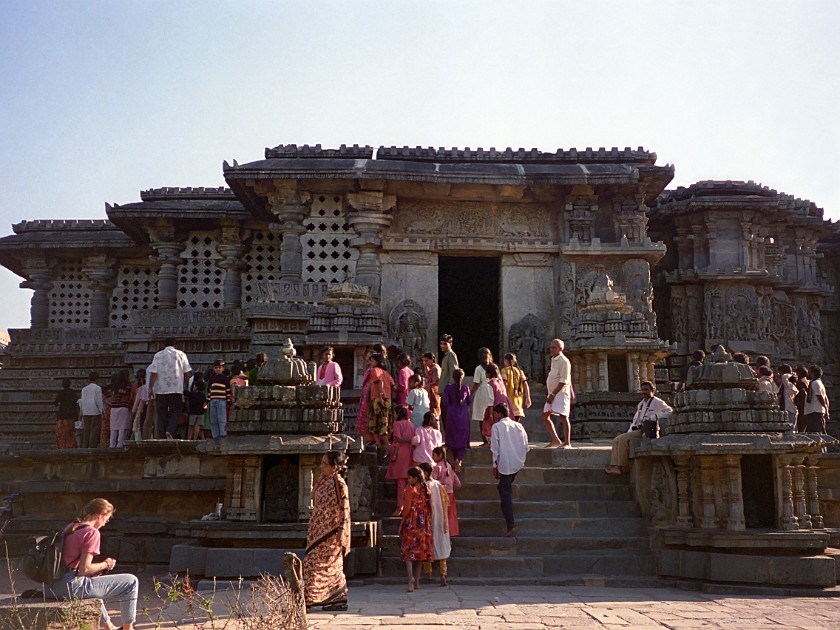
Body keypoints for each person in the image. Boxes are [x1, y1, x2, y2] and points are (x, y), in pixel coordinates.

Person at [47, 498, 138, 630]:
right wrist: (106, 564)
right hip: (69, 587)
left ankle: (109, 627)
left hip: (51, 587)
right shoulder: (91, 532)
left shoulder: (71, 526)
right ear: (100, 514)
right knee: (131, 582)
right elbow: (85, 569)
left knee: (93, 584)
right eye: (106, 519)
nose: (105, 523)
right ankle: (128, 628)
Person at [302, 451, 351, 611]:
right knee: (323, 565)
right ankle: (337, 599)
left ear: (335, 467)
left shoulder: (339, 483)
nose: (321, 467)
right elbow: (313, 497)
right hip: (317, 531)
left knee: (314, 565)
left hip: (330, 533)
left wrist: (342, 531)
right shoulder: (324, 481)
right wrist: (318, 482)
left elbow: (344, 508)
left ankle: (309, 599)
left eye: (325, 464)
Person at [604, 381, 672, 475]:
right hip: (637, 429)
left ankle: (621, 466)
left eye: (646, 390)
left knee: (622, 439)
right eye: (643, 390)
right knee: (616, 440)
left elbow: (670, 411)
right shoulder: (641, 404)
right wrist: (629, 431)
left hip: (646, 430)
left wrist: (654, 418)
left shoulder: (657, 402)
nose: (644, 392)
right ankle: (615, 466)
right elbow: (636, 420)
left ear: (652, 390)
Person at [490, 403, 528, 538]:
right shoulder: (519, 426)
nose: (494, 416)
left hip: (505, 463)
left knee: (505, 493)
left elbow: (495, 448)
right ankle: (508, 516)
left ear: (499, 414)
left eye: (495, 414)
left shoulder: (497, 427)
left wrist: (495, 465)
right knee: (503, 488)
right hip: (517, 461)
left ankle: (510, 525)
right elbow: (525, 444)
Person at [148, 337, 192, 439]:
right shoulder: (181, 354)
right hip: (176, 388)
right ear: (175, 345)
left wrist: (150, 388)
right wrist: (186, 385)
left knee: (161, 413)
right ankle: (170, 431)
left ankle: (162, 435)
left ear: (164, 345)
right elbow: (186, 373)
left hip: (161, 389)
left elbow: (154, 373)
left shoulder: (158, 355)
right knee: (175, 411)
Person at [400, 466, 434, 592]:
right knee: (421, 553)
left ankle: (411, 578)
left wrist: (402, 522)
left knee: (408, 551)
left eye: (410, 477)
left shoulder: (410, 489)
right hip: (424, 522)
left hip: (412, 521)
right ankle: (418, 582)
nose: (408, 479)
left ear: (415, 478)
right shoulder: (426, 488)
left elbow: (407, 508)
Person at [418, 462, 451, 587]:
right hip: (441, 519)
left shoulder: (423, 487)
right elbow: (446, 502)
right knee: (442, 545)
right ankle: (443, 574)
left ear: (425, 473)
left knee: (427, 545)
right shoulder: (439, 485)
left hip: (427, 520)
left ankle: (428, 573)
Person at [542, 338, 572, 448]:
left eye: (554, 347)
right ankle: (555, 439)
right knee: (545, 416)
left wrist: (553, 394)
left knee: (563, 416)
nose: (551, 349)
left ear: (561, 348)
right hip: (552, 393)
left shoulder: (564, 361)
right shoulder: (554, 360)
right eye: (551, 347)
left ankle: (567, 442)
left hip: (560, 393)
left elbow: (564, 380)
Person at [441, 368, 472, 474]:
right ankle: (458, 459)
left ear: (453, 378)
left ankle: (455, 458)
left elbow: (445, 401)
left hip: (452, 416)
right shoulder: (465, 387)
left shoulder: (448, 388)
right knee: (462, 441)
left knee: (453, 439)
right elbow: (469, 401)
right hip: (463, 417)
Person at [386, 405, 415, 517]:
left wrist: (393, 453)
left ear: (398, 414)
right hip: (409, 452)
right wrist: (409, 441)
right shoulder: (411, 425)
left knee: (400, 481)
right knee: (405, 479)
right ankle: (406, 504)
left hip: (399, 452)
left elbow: (397, 438)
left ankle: (400, 506)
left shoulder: (397, 424)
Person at [367, 353, 395, 449]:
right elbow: (393, 385)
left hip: (378, 399)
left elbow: (380, 382)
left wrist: (381, 396)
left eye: (372, 361)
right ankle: (381, 444)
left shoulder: (374, 370)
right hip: (387, 399)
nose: (370, 362)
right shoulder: (386, 373)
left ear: (377, 362)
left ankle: (384, 446)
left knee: (375, 422)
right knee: (384, 421)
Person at [432, 446, 460, 537]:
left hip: (441, 494)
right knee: (451, 513)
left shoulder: (437, 467)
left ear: (440, 455)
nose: (432, 457)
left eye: (434, 455)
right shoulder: (449, 466)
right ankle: (453, 532)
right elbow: (458, 483)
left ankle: (444, 533)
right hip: (450, 493)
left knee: (442, 514)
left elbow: (433, 482)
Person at [481, 362, 512, 442]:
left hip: (496, 407)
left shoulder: (490, 385)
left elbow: (490, 400)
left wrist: (490, 414)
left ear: (488, 374)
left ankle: (493, 441)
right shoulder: (500, 382)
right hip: (505, 405)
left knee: (492, 425)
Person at [471, 348, 494, 446]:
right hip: (492, 391)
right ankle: (492, 439)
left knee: (482, 417)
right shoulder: (494, 367)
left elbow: (476, 384)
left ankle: (485, 440)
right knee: (491, 416)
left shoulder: (479, 369)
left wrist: (469, 394)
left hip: (482, 393)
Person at [501, 353, 531, 422]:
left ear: (506, 361)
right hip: (518, 404)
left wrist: (502, 396)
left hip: (508, 403)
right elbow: (525, 384)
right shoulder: (520, 372)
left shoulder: (505, 370)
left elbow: (505, 384)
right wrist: (528, 397)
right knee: (516, 424)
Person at [207, 359, 231, 438]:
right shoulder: (212, 379)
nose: (218, 369)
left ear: (223, 368)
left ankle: (223, 435)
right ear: (214, 368)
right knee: (213, 420)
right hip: (213, 401)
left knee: (222, 420)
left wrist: (228, 402)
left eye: (219, 367)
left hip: (222, 401)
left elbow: (228, 391)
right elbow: (209, 391)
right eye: (216, 367)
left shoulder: (225, 378)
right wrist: (207, 401)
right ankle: (215, 436)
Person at [108, 370, 133, 448]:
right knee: (122, 427)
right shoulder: (128, 385)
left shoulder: (115, 386)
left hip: (114, 407)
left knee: (113, 428)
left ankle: (111, 445)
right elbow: (129, 396)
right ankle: (120, 445)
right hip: (124, 407)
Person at [79, 371, 104, 449]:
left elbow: (82, 401)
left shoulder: (84, 389)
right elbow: (99, 401)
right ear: (97, 379)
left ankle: (84, 446)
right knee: (94, 430)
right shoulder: (97, 388)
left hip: (86, 411)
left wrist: (82, 411)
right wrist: (101, 410)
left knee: (86, 430)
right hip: (95, 411)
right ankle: (92, 446)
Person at [803, 365, 830, 433]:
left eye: (809, 372)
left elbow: (820, 397)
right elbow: (825, 398)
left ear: (812, 373)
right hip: (813, 411)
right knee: (812, 432)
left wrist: (826, 408)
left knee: (819, 431)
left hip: (816, 411)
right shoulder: (818, 383)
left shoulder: (815, 383)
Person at [54, 378, 78, 449]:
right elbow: (75, 403)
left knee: (61, 434)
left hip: (62, 416)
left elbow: (55, 403)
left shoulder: (60, 393)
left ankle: (62, 447)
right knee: (70, 434)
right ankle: (71, 447)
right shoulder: (73, 392)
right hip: (71, 416)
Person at [356, 348, 375, 439]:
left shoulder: (374, 370)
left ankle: (368, 438)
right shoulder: (369, 369)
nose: (367, 360)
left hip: (370, 394)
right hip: (365, 394)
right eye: (367, 358)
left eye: (370, 358)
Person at [774, 364, 799, 429]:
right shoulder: (782, 386)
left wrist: (791, 373)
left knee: (790, 429)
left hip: (790, 409)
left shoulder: (789, 385)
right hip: (784, 409)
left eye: (780, 373)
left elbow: (784, 377)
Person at [187, 372, 207, 440]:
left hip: (193, 412)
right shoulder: (203, 396)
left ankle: (189, 438)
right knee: (197, 426)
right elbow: (205, 404)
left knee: (191, 426)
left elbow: (185, 393)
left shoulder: (192, 394)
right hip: (201, 413)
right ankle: (195, 438)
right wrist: (204, 410)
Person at [437, 334, 458, 400]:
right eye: (441, 344)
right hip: (443, 390)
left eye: (445, 344)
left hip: (448, 390)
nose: (442, 346)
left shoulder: (451, 354)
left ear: (450, 344)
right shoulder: (446, 355)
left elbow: (454, 372)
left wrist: (449, 389)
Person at [422, 352, 442, 416]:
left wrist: (426, 387)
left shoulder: (435, 368)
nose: (425, 362)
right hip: (430, 392)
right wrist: (425, 366)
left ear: (432, 359)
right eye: (424, 361)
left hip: (434, 392)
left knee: (434, 411)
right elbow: (428, 375)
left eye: (426, 361)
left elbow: (436, 380)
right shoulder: (431, 367)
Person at [131, 370, 148, 443]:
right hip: (150, 410)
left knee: (138, 429)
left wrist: (133, 411)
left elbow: (136, 403)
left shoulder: (140, 389)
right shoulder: (153, 388)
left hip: (140, 411)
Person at [794, 365, 810, 433]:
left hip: (802, 406)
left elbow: (803, 393)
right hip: (808, 406)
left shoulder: (800, 381)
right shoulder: (808, 381)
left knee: (801, 425)